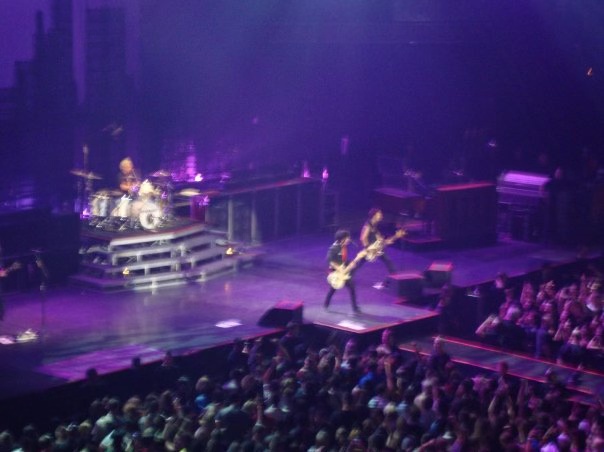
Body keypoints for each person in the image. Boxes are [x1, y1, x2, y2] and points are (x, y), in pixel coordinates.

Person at [324, 229, 364, 314]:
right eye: (347, 238)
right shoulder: (334, 248)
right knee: (333, 289)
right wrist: (340, 269)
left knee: (352, 287)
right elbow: (330, 261)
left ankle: (355, 308)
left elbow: (343, 260)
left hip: (343, 270)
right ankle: (326, 304)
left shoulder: (344, 246)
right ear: (342, 239)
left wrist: (350, 263)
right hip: (336, 272)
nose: (349, 239)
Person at [357, 208, 399, 289]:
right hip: (369, 249)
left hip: (375, 249)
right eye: (379, 214)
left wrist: (393, 237)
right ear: (374, 216)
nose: (381, 216)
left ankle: (395, 279)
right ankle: (345, 274)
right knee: (358, 264)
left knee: (388, 261)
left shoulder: (375, 225)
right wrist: (368, 249)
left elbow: (380, 239)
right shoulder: (368, 225)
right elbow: (363, 238)